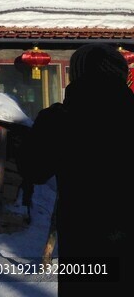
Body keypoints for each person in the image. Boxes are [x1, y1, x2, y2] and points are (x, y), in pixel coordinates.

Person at [19, 42, 134, 295]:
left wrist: (42, 128)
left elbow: (32, 170)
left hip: (82, 249)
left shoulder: (61, 120)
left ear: (78, 74)